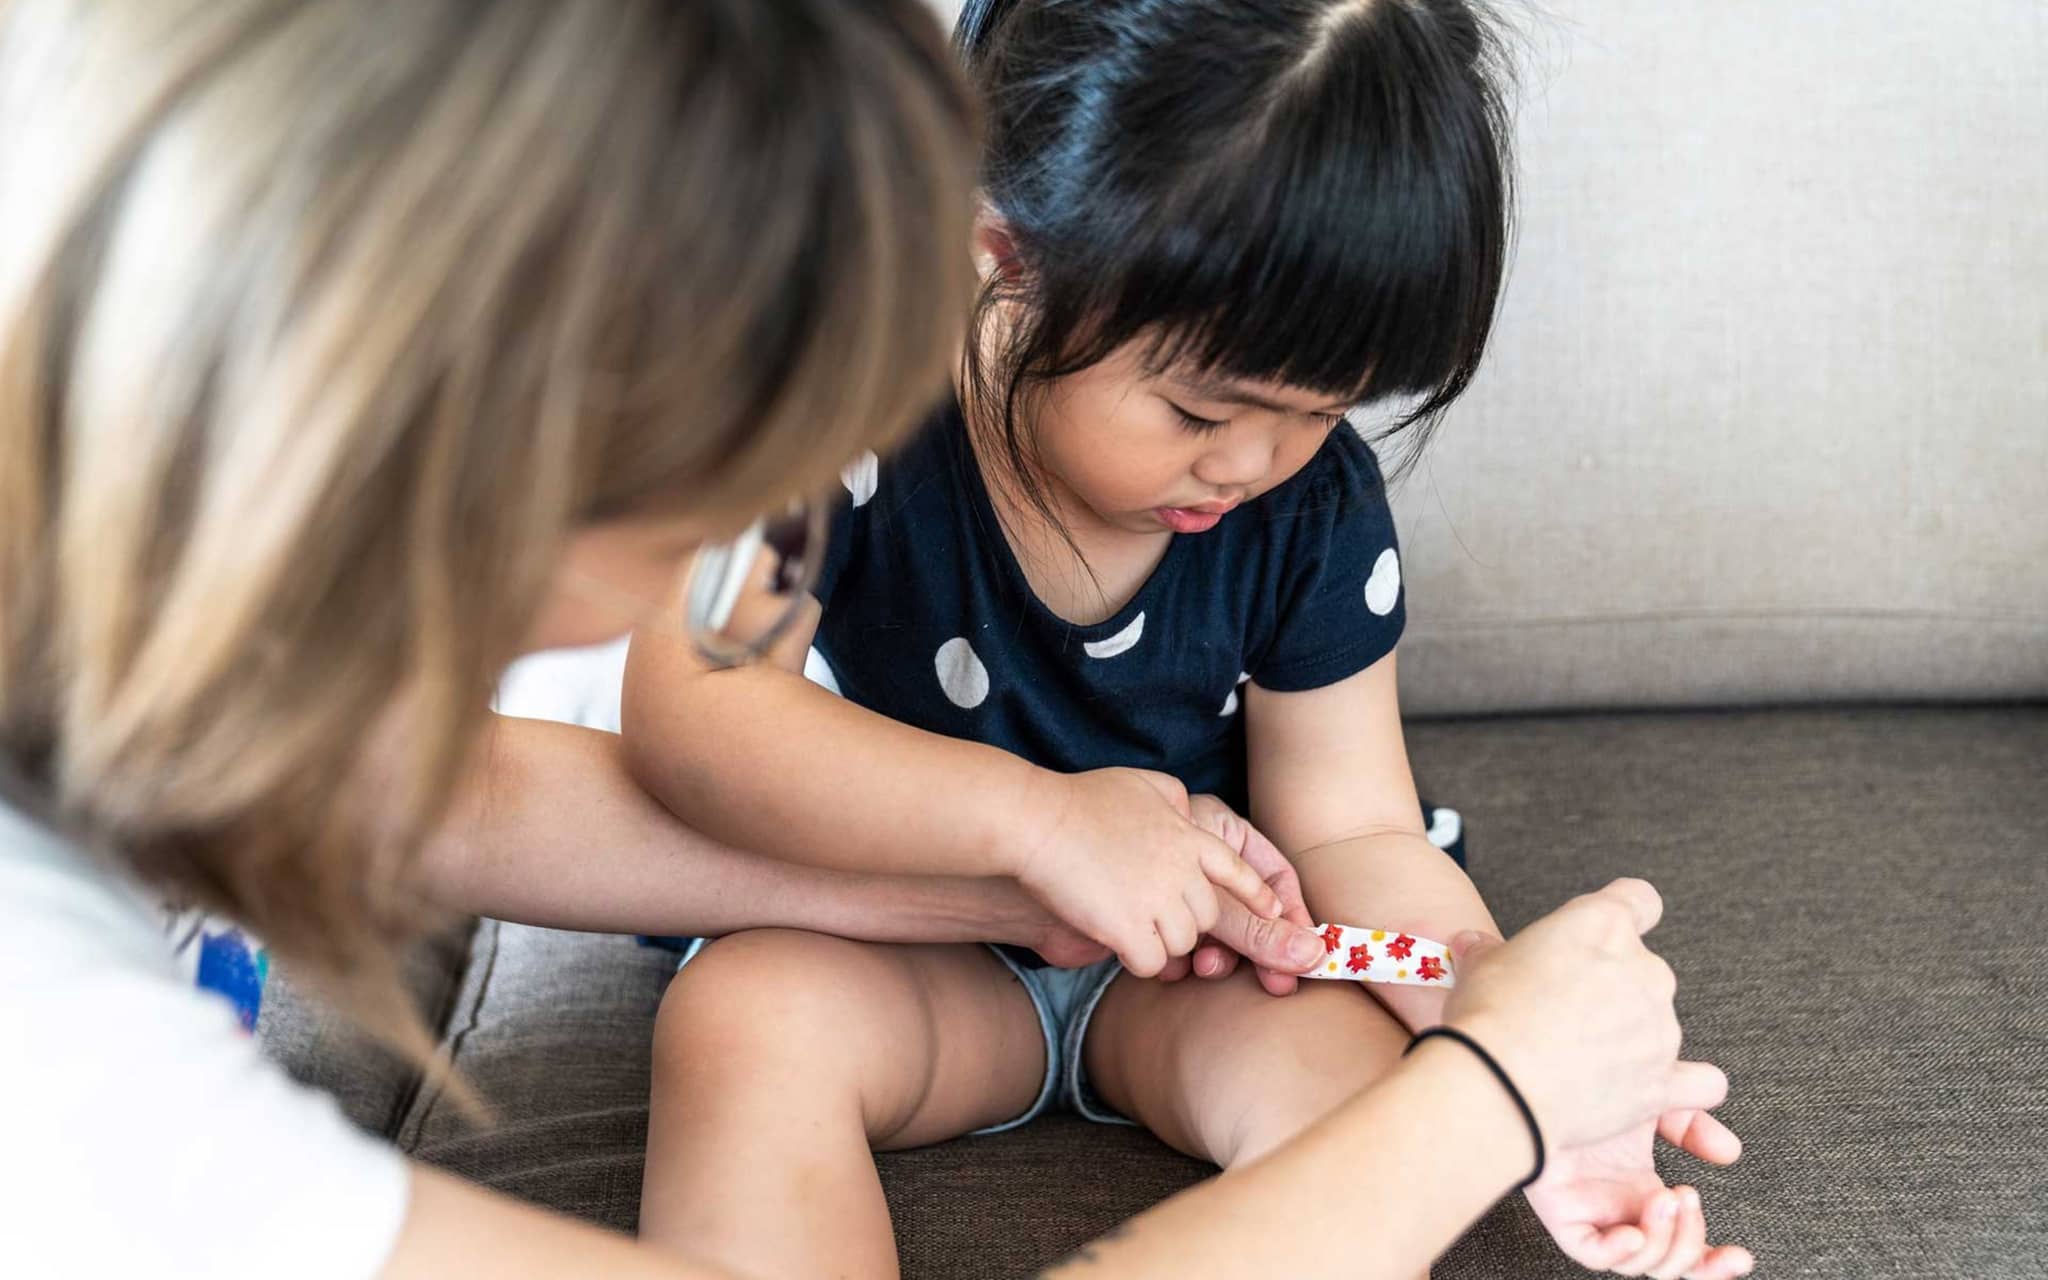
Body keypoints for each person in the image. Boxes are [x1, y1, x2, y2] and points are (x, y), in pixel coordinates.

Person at [0, 1, 1741, 1278]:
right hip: (924, 978)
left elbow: (439, 785)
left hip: (1192, 955)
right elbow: (681, 738)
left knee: (1328, 1063)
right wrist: (1490, 1095)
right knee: (754, 1018)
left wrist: (1467, 1017)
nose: (746, 562)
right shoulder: (77, 1083)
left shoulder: (175, 699)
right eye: (720, 476)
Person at [623, 2, 1751, 1278]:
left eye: (1318, 409)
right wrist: (1040, 823)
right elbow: (697, 710)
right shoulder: (825, 401)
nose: (1253, 462)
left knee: (1367, 1106)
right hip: (899, 935)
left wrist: (1505, 1047)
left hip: (1201, 969)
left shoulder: (1306, 506)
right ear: (1008, 256)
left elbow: (1353, 829)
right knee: (740, 1023)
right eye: (1198, 406)